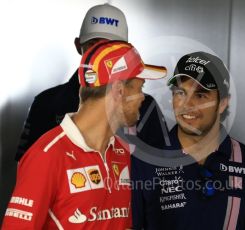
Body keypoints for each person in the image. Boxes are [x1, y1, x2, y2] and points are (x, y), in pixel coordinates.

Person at [2, 40, 167, 229]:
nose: (143, 97)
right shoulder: (47, 155)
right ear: (119, 90)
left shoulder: (123, 154)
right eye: (140, 88)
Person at [131, 52, 245, 230]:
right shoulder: (144, 161)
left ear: (223, 103)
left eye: (201, 95)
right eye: (180, 92)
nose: (187, 104)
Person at [15, 3, 168, 162]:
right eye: (94, 45)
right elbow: (29, 166)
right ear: (77, 45)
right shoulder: (46, 103)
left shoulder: (146, 105)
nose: (101, 55)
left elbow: (163, 169)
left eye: (111, 48)